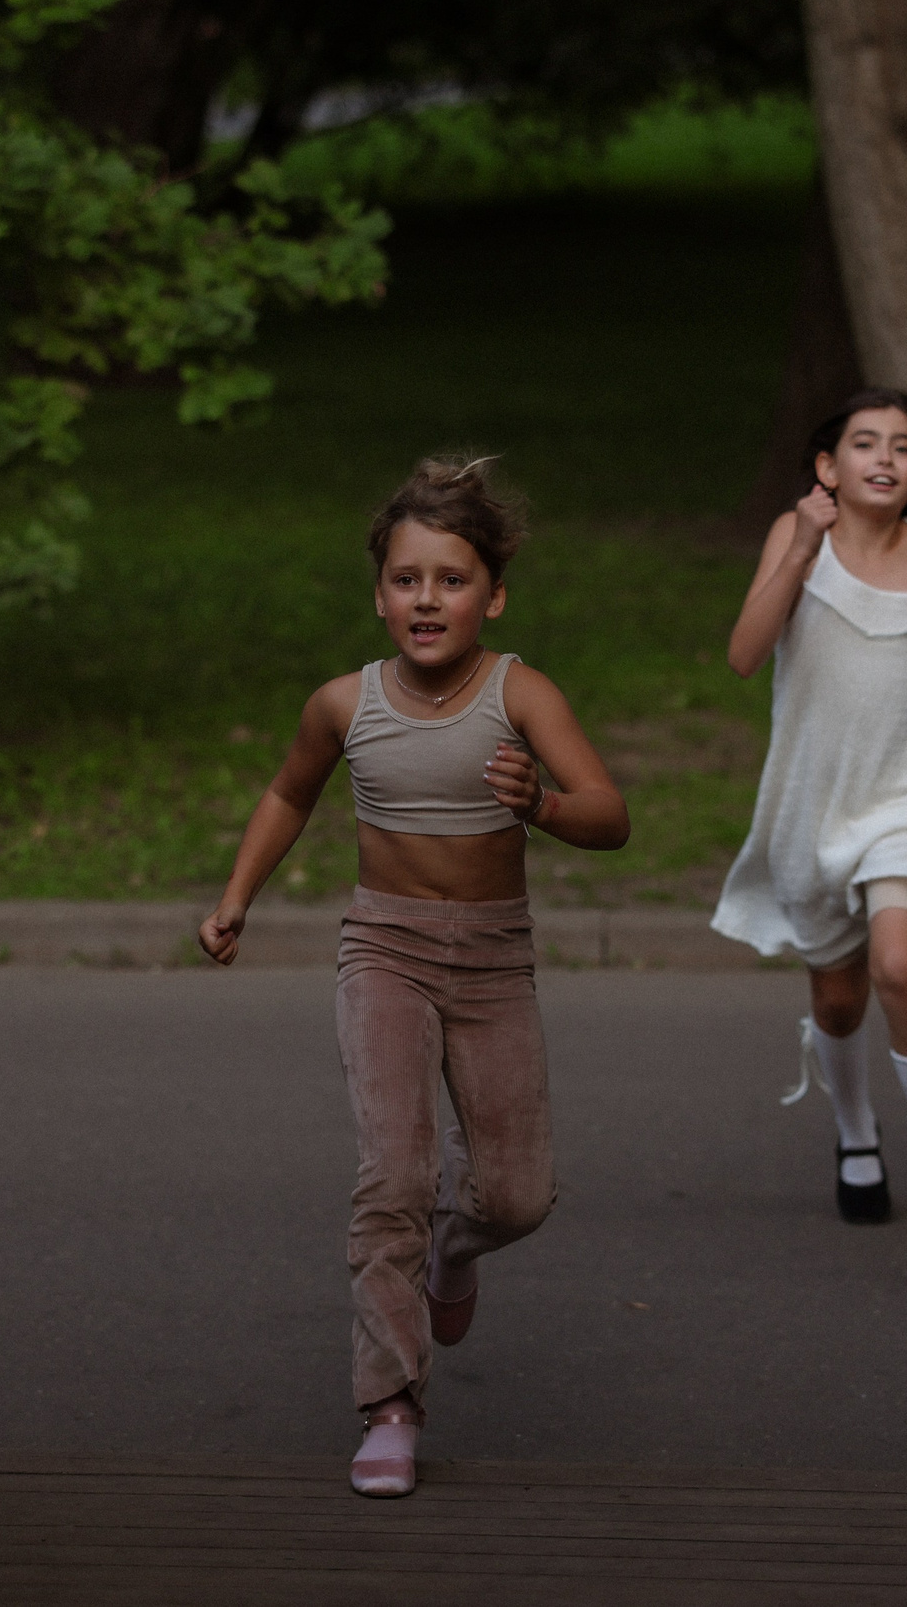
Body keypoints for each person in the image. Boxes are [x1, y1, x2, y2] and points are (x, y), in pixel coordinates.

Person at [199, 455, 629, 1499]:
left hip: (492, 958)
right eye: (406, 579)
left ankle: (456, 1248)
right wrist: (237, 895)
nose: (427, 599)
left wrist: (541, 805)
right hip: (383, 950)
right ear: (379, 597)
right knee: (392, 1177)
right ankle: (389, 1406)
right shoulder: (343, 704)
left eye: (451, 579)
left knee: (517, 1196)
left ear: (493, 596)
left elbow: (610, 817)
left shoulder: (521, 693)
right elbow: (288, 795)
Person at [712, 389, 907, 1238]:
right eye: (865, 442)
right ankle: (855, 1133)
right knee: (839, 1003)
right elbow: (743, 655)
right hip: (813, 806)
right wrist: (801, 549)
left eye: (903, 447)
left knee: (899, 964)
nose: (885, 456)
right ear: (828, 467)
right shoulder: (795, 535)